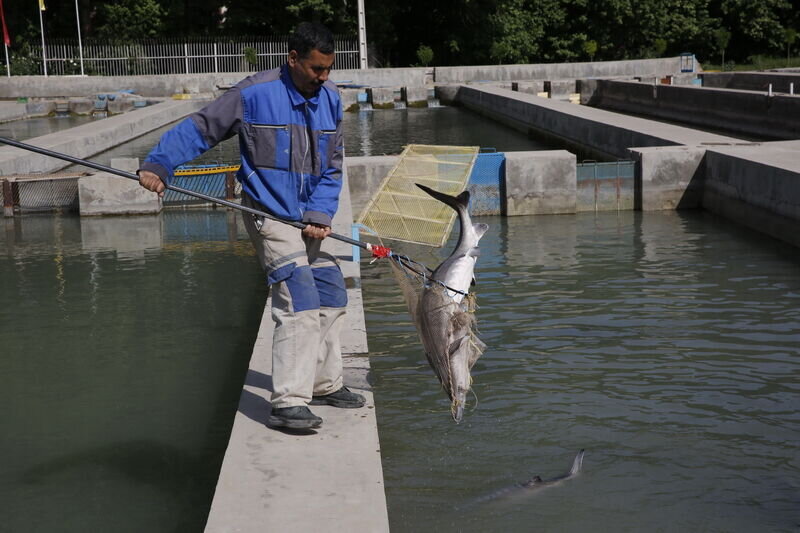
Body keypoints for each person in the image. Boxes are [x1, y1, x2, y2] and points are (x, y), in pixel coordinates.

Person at [137, 22, 365, 430]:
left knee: (332, 292)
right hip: (269, 214)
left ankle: (324, 383)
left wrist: (319, 214)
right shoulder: (254, 93)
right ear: (292, 59)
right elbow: (201, 128)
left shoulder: (330, 98)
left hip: (308, 217)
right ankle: (288, 403)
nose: (324, 77)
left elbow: (333, 166)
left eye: (328, 68)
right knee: (298, 295)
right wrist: (160, 163)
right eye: (316, 68)